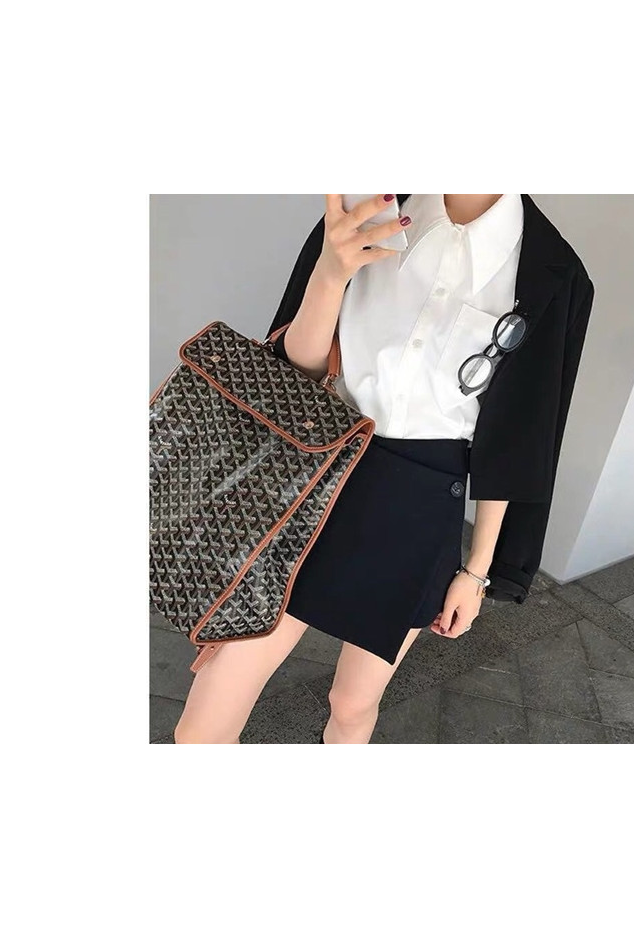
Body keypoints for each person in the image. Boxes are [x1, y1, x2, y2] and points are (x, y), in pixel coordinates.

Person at [174, 194, 594, 744]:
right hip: (314, 480)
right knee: (205, 724)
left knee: (352, 706)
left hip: (418, 506)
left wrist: (477, 570)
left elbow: (520, 437)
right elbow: (291, 373)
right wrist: (330, 273)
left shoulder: (550, 269)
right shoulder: (370, 210)